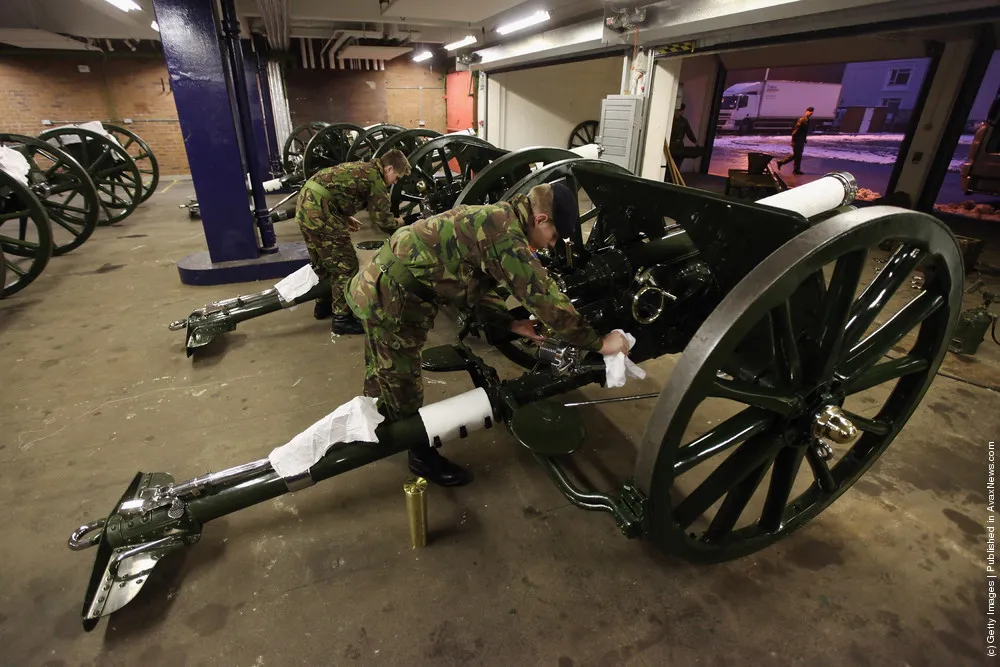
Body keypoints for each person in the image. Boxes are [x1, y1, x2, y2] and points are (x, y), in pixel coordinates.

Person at [346, 182, 632, 487]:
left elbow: (477, 283)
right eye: (553, 237)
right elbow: (544, 299)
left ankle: (378, 418)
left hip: (380, 283)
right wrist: (599, 342)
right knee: (403, 382)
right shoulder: (506, 237)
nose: (551, 246)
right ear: (540, 220)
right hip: (391, 300)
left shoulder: (500, 215)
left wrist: (509, 322)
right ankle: (418, 453)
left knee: (382, 365)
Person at [295, 149, 412, 335]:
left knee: (323, 263)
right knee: (346, 266)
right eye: (396, 177)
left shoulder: (364, 168)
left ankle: (323, 306)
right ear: (389, 169)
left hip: (306, 204)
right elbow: (383, 221)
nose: (395, 182)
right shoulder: (376, 180)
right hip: (320, 211)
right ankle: (342, 319)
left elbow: (337, 189)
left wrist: (345, 216)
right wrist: (403, 223)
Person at [777, 106, 814, 175]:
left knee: (797, 155)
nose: (811, 113)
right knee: (797, 155)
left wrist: (804, 139)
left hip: (801, 140)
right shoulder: (802, 120)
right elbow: (796, 130)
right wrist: (794, 140)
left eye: (812, 111)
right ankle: (782, 163)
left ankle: (795, 169)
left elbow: (804, 131)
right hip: (797, 140)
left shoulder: (807, 120)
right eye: (810, 111)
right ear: (806, 111)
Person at [668, 103, 700, 173]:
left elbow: (689, 132)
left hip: (679, 145)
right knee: (669, 164)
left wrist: (695, 142)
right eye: (681, 110)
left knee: (677, 163)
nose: (682, 112)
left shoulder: (684, 121)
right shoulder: (670, 119)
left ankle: (674, 177)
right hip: (671, 144)